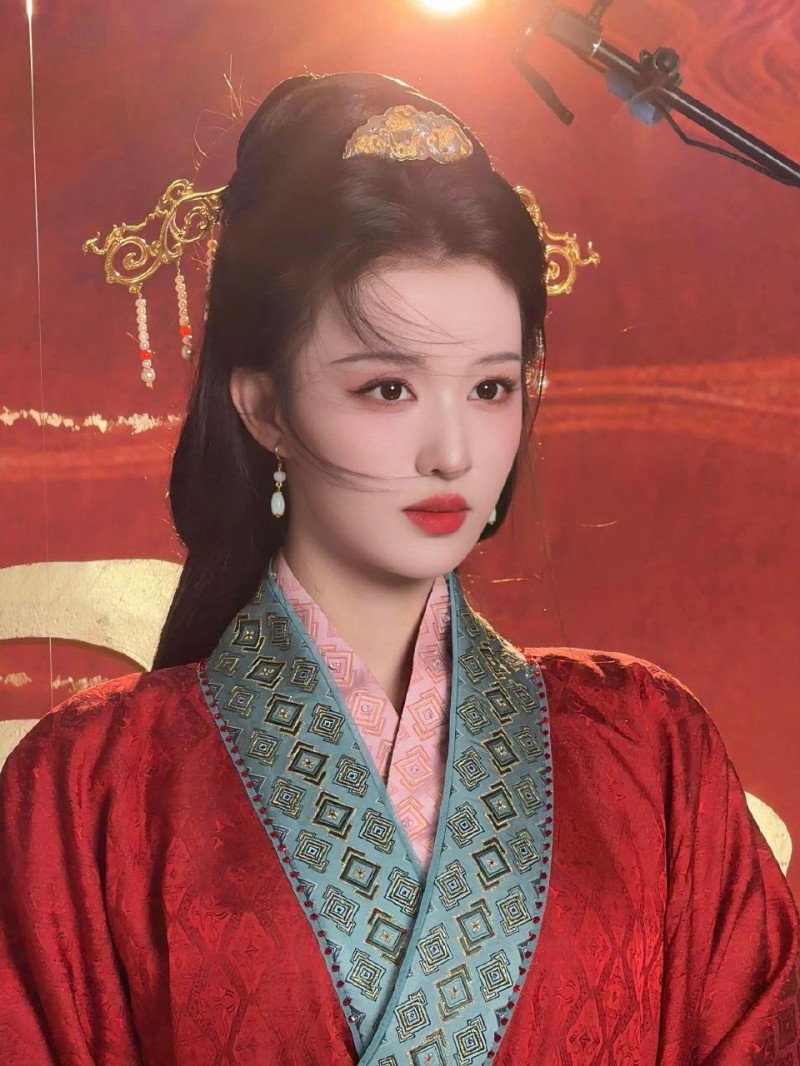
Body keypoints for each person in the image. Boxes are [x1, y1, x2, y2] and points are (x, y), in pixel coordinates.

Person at [0, 71, 797, 1065]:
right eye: (387, 387)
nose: (453, 453)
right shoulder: (91, 784)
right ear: (263, 406)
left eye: (491, 388)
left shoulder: (645, 745)